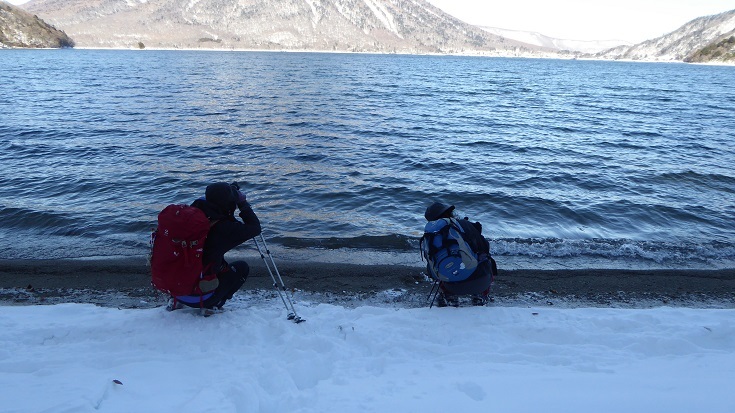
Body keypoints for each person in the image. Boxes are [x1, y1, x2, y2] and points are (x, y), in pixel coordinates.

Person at [169, 182, 261, 311]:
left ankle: (178, 298)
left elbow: (210, 200)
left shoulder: (191, 216)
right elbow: (255, 228)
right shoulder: (224, 229)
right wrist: (243, 204)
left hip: (175, 289)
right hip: (200, 298)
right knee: (242, 267)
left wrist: (227, 191)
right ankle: (215, 302)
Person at [423, 201, 497, 307]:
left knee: (437, 265)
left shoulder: (429, 237)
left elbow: (431, 268)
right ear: (449, 213)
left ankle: (448, 295)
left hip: (450, 285)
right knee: (486, 258)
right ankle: (480, 295)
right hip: (480, 283)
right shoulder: (463, 225)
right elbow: (485, 247)